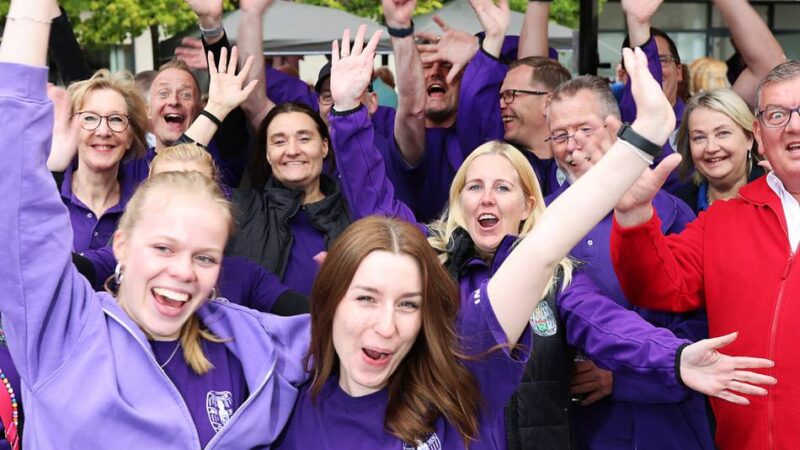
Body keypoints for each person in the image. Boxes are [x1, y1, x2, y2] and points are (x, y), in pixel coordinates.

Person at [270, 24, 775, 450]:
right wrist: (348, 111)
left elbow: (611, 327)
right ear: (458, 200)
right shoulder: (428, 261)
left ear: (529, 204)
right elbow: (375, 198)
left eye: (503, 186)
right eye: (475, 186)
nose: (487, 198)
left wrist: (675, 357)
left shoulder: (556, 277)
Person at [0, 3, 310, 446]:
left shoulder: (246, 340)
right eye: (163, 248)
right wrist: (31, 11)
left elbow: (354, 334)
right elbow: (16, 191)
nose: (183, 271)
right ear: (122, 244)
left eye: (204, 256)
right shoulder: (63, 329)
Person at [610, 60, 800, 450]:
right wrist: (633, 214)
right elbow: (656, 286)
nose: (793, 126)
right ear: (760, 136)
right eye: (777, 115)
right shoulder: (722, 220)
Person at [546, 75, 713, 449]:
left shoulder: (669, 214)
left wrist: (621, 379)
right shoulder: (541, 218)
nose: (572, 145)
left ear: (615, 129)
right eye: (559, 134)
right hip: (575, 426)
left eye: (584, 129)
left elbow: (703, 325)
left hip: (662, 422)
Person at [674, 88, 765, 214]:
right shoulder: (678, 207)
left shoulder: (778, 195)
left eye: (723, 133)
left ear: (749, 138)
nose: (711, 148)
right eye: (699, 137)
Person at [500, 56, 571, 196]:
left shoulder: (583, 164)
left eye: (510, 95)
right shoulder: (500, 166)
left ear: (549, 103)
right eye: (501, 96)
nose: (501, 104)